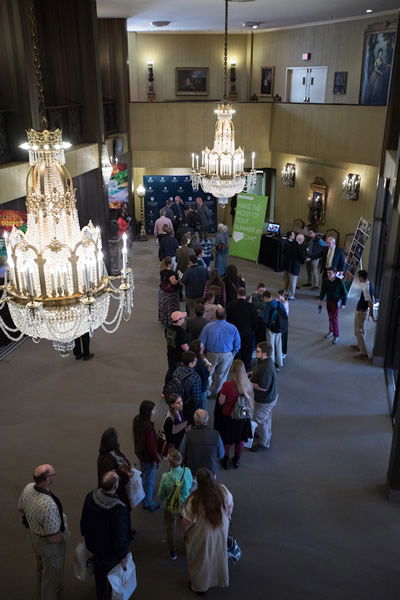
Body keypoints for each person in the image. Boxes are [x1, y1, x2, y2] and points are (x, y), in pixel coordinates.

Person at [80, 471, 132, 600]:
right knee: (113, 579)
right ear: (115, 487)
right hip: (111, 553)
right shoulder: (119, 509)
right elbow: (120, 536)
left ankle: (100, 594)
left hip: (94, 546)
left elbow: (84, 521)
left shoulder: (90, 496)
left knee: (99, 574)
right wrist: (123, 555)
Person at [18, 464, 66, 600]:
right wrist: (61, 538)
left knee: (40, 565)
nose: (55, 476)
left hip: (34, 537)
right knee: (51, 574)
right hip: (48, 544)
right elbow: (52, 537)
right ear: (47, 479)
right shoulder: (48, 505)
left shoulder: (28, 487)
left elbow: (20, 508)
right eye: (53, 475)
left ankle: (41, 590)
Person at [182, 467, 233, 595]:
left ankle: (199, 587)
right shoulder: (222, 490)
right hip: (220, 529)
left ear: (198, 482)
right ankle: (217, 579)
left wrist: (184, 533)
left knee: (201, 560)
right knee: (217, 554)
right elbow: (230, 507)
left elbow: (187, 522)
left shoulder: (193, 500)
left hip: (202, 534)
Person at [217, 359, 254, 468]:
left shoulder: (227, 385)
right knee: (240, 440)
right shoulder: (248, 384)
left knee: (227, 440)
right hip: (243, 417)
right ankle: (236, 460)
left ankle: (225, 460)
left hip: (229, 416)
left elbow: (221, 402)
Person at [157, 449, 193, 560]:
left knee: (170, 527)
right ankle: (189, 543)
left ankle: (172, 550)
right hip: (185, 505)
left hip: (170, 507)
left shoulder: (165, 477)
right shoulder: (187, 471)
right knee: (187, 525)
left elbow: (160, 495)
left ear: (169, 462)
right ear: (181, 460)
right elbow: (191, 484)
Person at [199, 308, 241, 397]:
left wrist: (202, 355)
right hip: (227, 355)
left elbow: (201, 342)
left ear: (215, 316)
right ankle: (217, 393)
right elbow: (237, 343)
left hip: (211, 354)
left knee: (209, 373)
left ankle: (208, 391)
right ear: (226, 316)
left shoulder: (208, 327)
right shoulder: (233, 327)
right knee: (222, 375)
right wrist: (233, 353)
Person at [132, 400, 161, 511]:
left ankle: (142, 492)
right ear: (149, 412)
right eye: (153, 409)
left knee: (144, 473)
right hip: (149, 457)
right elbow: (152, 448)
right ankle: (147, 503)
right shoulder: (148, 428)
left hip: (141, 453)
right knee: (150, 480)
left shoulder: (137, 420)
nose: (155, 411)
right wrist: (157, 459)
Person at [250, 341, 278, 451]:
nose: (255, 353)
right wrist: (251, 374)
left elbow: (263, 387)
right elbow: (257, 369)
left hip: (265, 399)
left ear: (265, 353)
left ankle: (264, 443)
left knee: (260, 421)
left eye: (258, 351)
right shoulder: (263, 361)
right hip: (269, 397)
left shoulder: (266, 368)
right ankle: (264, 436)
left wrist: (248, 384)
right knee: (265, 419)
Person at [181, 409, 224, 477]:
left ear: (195, 420)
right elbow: (221, 454)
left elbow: (181, 453)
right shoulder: (216, 434)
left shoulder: (188, 435)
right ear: (207, 419)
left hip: (193, 471)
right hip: (210, 471)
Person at [97, 427, 132, 507]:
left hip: (117, 490)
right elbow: (111, 480)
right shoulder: (106, 461)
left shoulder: (112, 451)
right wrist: (127, 476)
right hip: (115, 493)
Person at [226, 287, 258, 370]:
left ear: (237, 295)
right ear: (245, 295)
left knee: (235, 349)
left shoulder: (231, 305)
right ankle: (246, 367)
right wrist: (252, 329)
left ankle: (234, 367)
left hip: (234, 332)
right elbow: (255, 320)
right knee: (247, 351)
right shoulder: (251, 306)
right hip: (247, 332)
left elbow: (227, 319)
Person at [318, 267, 348, 344]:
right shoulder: (326, 280)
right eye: (328, 273)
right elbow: (323, 290)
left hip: (336, 302)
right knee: (330, 317)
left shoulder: (339, 282)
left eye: (330, 273)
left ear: (335, 273)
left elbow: (344, 294)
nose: (328, 274)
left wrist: (344, 303)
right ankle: (331, 331)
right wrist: (320, 299)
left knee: (334, 319)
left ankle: (336, 335)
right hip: (329, 301)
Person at [172, 350, 202, 422]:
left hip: (176, 400)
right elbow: (197, 398)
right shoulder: (195, 377)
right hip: (188, 403)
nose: (197, 360)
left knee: (178, 418)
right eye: (195, 360)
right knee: (188, 421)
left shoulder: (177, 370)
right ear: (190, 364)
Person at [261, 290, 288, 370]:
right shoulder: (279, 303)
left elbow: (265, 320)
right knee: (278, 345)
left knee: (271, 346)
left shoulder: (268, 306)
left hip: (271, 330)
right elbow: (285, 315)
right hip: (279, 329)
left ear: (266, 298)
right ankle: (280, 362)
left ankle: (271, 364)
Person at [353, 269, 375, 359]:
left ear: (361, 277)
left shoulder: (366, 287)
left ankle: (363, 353)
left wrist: (371, 313)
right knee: (362, 328)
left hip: (361, 311)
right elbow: (372, 299)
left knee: (357, 331)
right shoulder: (369, 284)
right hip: (364, 311)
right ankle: (360, 346)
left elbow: (370, 302)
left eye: (358, 276)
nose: (358, 278)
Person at [164, 310, 189, 382]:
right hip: (179, 355)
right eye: (182, 318)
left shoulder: (168, 328)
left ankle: (168, 386)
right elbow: (184, 347)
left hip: (170, 352)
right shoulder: (181, 332)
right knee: (177, 372)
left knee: (171, 369)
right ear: (179, 320)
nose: (184, 319)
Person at [189, 339, 213, 410]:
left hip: (191, 386)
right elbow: (205, 375)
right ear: (199, 350)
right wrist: (208, 369)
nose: (204, 348)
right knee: (202, 407)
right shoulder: (200, 363)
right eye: (202, 347)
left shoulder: (190, 357)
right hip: (201, 387)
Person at [282, 233, 306, 300]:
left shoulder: (288, 244)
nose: (303, 241)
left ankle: (285, 292)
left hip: (287, 265)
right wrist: (305, 259)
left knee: (287, 280)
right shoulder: (299, 247)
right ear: (301, 240)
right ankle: (291, 295)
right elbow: (302, 258)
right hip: (294, 267)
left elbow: (283, 252)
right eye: (303, 240)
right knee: (293, 282)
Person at [159, 257, 180, 326]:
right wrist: (179, 280)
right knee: (171, 307)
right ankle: (170, 321)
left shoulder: (162, 271)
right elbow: (173, 282)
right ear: (170, 264)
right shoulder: (171, 273)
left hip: (163, 291)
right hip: (170, 294)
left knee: (164, 307)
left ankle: (164, 319)